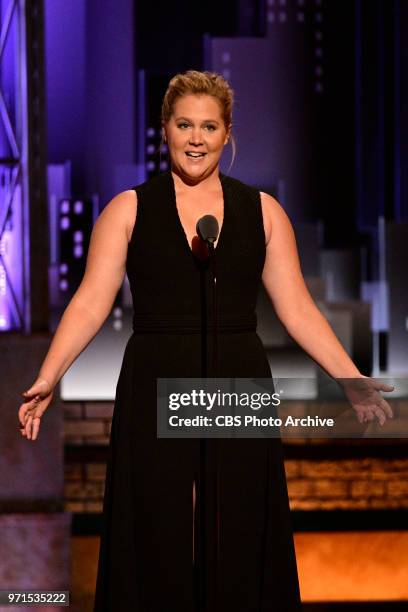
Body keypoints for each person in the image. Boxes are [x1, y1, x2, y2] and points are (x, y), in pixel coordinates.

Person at [18, 70, 394, 611]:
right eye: (184, 124)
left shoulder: (262, 211)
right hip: (155, 374)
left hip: (236, 374)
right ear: (164, 130)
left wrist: (348, 377)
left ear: (227, 133)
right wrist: (49, 375)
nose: (196, 138)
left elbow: (297, 309)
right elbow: (90, 301)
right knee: (154, 525)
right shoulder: (128, 209)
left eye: (209, 126)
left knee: (239, 522)